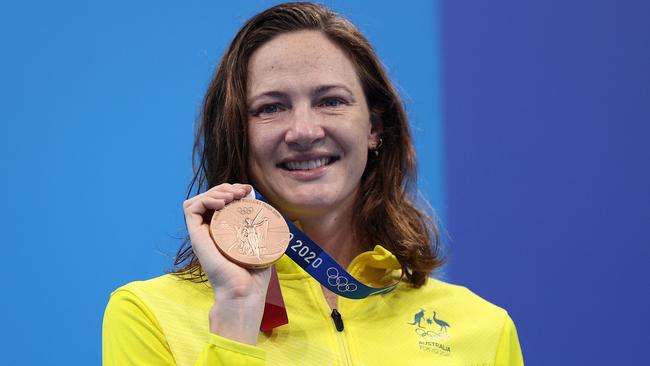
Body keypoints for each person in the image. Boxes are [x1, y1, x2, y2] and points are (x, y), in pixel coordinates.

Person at [102, 2, 524, 365]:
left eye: (331, 101)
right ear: (237, 134)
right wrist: (234, 316)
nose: (304, 130)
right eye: (271, 108)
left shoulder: (482, 329)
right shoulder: (150, 316)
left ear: (374, 128)